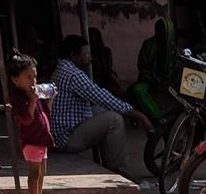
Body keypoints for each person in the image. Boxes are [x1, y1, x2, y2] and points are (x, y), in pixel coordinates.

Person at [48, 33, 151, 172]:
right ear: (74, 55)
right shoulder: (73, 74)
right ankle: (118, 171)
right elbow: (102, 97)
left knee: (102, 111)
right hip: (65, 139)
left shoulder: (61, 69)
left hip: (59, 133)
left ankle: (108, 162)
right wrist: (139, 115)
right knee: (114, 120)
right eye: (86, 54)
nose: (89, 58)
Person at [7, 52, 52, 194]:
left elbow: (44, 113)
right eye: (28, 77)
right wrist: (33, 100)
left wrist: (49, 100)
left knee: (42, 171)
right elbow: (26, 119)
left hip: (41, 139)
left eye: (34, 77)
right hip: (31, 140)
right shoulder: (19, 98)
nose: (33, 81)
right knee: (34, 172)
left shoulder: (33, 94)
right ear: (15, 79)